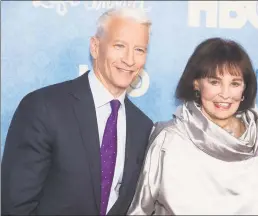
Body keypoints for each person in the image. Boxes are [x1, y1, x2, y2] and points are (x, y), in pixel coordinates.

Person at [1, 7, 153, 215]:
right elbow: (16, 207)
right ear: (95, 46)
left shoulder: (142, 126)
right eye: (119, 46)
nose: (129, 59)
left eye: (139, 50)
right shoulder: (43, 107)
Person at [127, 37, 258, 215]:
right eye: (214, 82)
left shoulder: (249, 148)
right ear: (196, 84)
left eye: (234, 83)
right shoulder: (169, 140)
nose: (225, 94)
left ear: (244, 89)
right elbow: (140, 210)